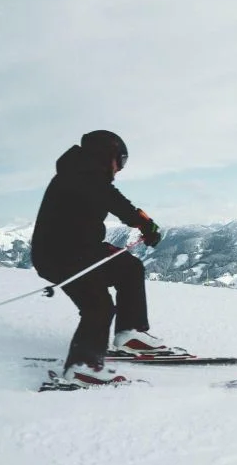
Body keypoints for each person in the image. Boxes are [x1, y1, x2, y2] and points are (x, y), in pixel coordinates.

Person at [30, 130, 170, 387]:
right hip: (61, 256)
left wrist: (143, 223)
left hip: (79, 250)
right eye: (122, 160)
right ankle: (83, 367)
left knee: (129, 267)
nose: (121, 168)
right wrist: (144, 224)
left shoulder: (84, 175)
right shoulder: (81, 176)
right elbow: (114, 201)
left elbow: (109, 197)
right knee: (98, 306)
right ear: (107, 156)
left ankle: (131, 334)